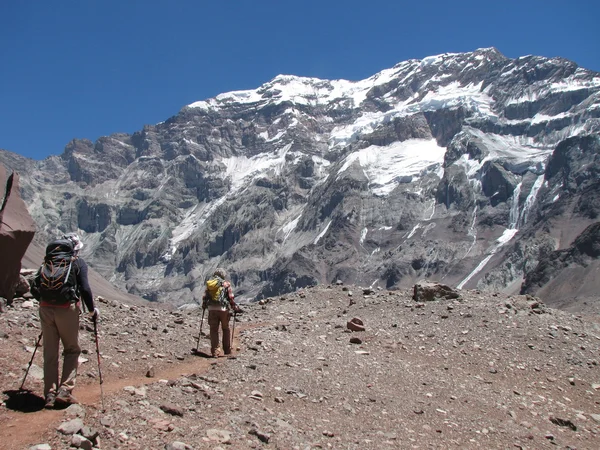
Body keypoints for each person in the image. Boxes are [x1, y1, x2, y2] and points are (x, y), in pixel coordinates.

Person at [35, 233, 99, 408]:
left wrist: (45, 303)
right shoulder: (76, 263)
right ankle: (65, 390)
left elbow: (35, 284)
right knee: (71, 349)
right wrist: (92, 310)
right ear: (74, 249)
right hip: (67, 309)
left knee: (50, 351)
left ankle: (49, 394)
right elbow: (85, 288)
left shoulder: (47, 263)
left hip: (45, 308)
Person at [202, 268, 241, 357]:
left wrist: (204, 306)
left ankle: (215, 351)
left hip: (212, 309)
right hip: (223, 309)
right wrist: (234, 307)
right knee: (225, 328)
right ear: (223, 275)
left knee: (213, 330)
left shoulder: (210, 284)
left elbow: (205, 297)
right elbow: (230, 297)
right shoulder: (226, 284)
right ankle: (227, 350)